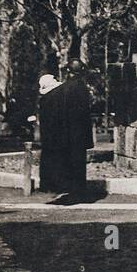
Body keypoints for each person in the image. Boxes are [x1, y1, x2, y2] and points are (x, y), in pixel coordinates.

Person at [38, 61, 94, 200]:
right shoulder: (82, 87)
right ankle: (79, 192)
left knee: (69, 163)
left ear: (68, 71)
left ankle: (70, 191)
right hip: (79, 134)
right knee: (79, 163)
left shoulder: (62, 90)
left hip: (65, 134)